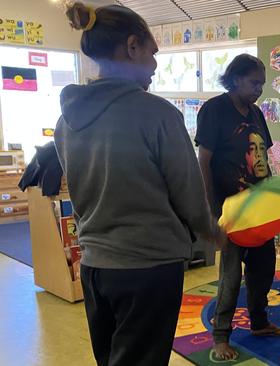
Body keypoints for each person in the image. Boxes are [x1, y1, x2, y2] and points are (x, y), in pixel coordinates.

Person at [56, 3, 218, 365]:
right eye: (152, 52)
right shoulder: (158, 114)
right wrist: (211, 230)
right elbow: (189, 193)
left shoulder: (66, 120)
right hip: (148, 266)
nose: (156, 65)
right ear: (132, 47)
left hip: (95, 265)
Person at [195, 54, 280, 361]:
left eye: (262, 83)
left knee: (263, 269)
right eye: (254, 82)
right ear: (235, 79)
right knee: (231, 274)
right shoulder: (214, 110)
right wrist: (212, 210)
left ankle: (260, 323)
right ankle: (221, 336)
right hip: (230, 208)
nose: (259, 89)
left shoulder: (256, 113)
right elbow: (204, 162)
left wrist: (275, 200)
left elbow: (264, 160)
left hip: (259, 206)